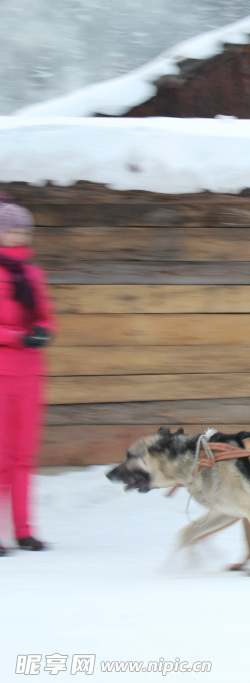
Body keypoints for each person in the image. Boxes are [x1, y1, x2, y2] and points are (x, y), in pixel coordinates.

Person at [0, 194, 55, 554]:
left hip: (31, 375)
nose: (19, 235)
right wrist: (19, 336)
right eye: (12, 230)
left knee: (24, 457)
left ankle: (24, 530)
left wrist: (44, 330)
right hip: (3, 374)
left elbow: (47, 317)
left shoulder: (33, 274)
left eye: (24, 230)